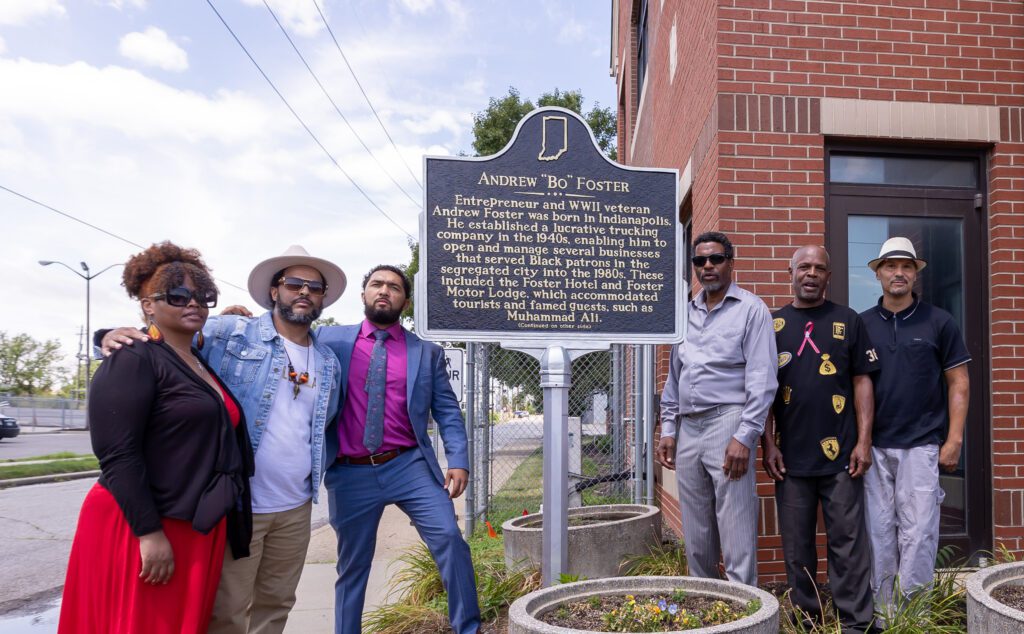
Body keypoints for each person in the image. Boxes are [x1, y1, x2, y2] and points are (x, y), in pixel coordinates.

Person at [99, 244, 346, 634]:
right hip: (242, 502)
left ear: (322, 299)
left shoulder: (328, 362)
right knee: (228, 611)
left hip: (297, 506)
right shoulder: (231, 333)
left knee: (278, 603)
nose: (304, 292)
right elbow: (166, 337)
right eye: (294, 283)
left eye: (314, 288)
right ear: (273, 291)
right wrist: (112, 334)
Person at [60, 242, 254, 634]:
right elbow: (118, 455)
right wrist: (149, 534)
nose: (193, 303)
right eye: (178, 295)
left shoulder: (199, 362)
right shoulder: (132, 357)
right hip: (143, 522)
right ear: (148, 305)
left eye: (204, 295)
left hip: (193, 524)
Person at [317, 265, 480, 634]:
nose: (384, 291)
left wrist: (458, 459)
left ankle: (468, 628)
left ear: (404, 302)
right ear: (363, 294)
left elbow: (448, 411)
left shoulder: (425, 353)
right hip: (349, 471)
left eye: (394, 287)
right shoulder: (329, 340)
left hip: (409, 466)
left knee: (451, 540)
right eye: (377, 284)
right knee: (352, 566)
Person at [762, 246, 877, 632]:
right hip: (790, 459)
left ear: (829, 276)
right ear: (790, 271)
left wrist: (864, 441)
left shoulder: (849, 321)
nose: (811, 274)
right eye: (804, 267)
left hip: (842, 455)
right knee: (797, 549)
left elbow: (862, 381)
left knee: (847, 545)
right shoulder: (771, 324)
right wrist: (768, 442)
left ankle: (856, 623)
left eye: (819, 268)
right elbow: (761, 390)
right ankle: (808, 622)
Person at [656, 231, 778, 586]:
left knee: (735, 525)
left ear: (730, 263)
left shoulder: (751, 310)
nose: (707, 266)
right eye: (700, 261)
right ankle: (705, 602)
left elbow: (763, 378)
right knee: (696, 528)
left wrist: (745, 435)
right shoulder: (686, 314)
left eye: (715, 259)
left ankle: (746, 611)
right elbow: (674, 377)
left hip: (729, 421)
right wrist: (667, 429)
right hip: (688, 427)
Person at [859, 237, 970, 610]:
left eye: (906, 267)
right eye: (891, 266)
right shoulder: (861, 325)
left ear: (915, 274)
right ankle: (883, 614)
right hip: (873, 448)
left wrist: (954, 439)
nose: (899, 273)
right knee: (878, 533)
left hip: (922, 444)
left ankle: (914, 617)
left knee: (919, 534)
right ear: (878, 273)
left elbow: (959, 382)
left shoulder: (939, 321)